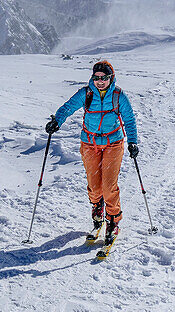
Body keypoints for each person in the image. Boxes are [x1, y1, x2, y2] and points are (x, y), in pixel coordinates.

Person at [45, 60, 140, 245]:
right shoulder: (86, 93)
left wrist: (133, 142)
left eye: (104, 77)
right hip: (89, 144)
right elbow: (68, 107)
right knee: (94, 186)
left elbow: (129, 119)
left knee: (109, 186)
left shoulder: (118, 95)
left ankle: (113, 221)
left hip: (113, 143)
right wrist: (57, 121)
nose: (100, 81)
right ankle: (98, 211)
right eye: (96, 77)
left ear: (110, 78)